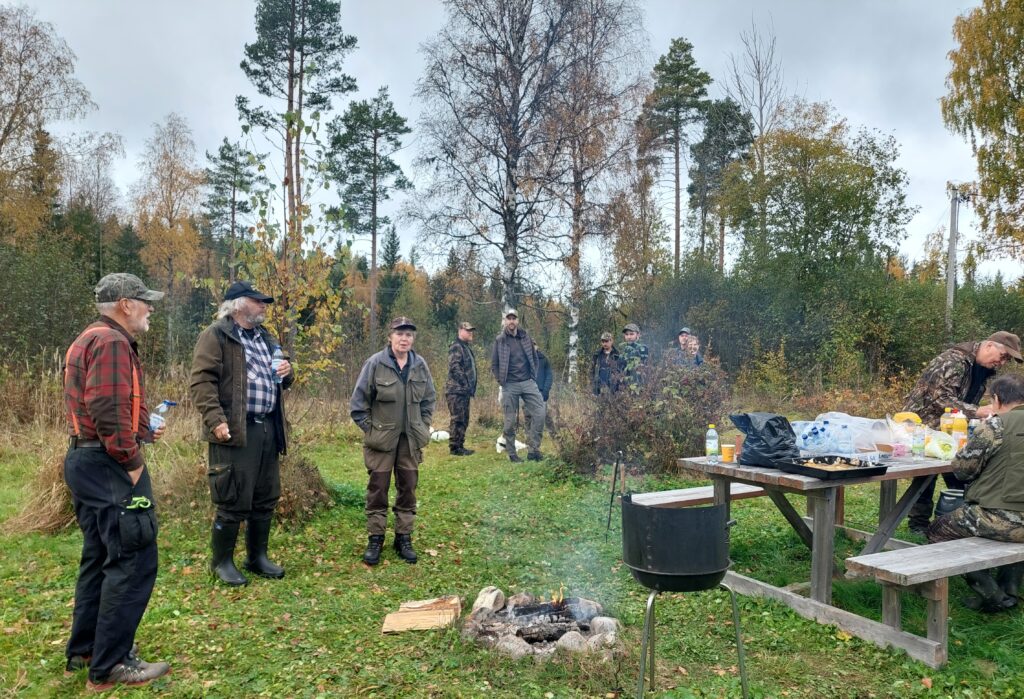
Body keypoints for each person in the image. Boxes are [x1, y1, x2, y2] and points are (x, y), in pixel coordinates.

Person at [62, 273, 171, 690]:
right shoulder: (112, 342)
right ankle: (110, 664)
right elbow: (106, 406)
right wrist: (131, 459)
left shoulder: (88, 338)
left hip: (84, 460)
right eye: (145, 302)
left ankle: (87, 647)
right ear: (125, 304)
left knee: (100, 556)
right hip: (109, 465)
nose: (150, 309)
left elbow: (105, 406)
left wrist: (141, 428)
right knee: (132, 558)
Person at [190, 280, 294, 586]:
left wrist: (289, 372)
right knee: (232, 495)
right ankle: (221, 562)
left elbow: (279, 379)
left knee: (265, 495)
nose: (264, 305)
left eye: (264, 301)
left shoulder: (266, 337)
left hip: (268, 427)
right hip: (233, 429)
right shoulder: (216, 335)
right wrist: (215, 420)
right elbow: (201, 382)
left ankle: (256, 557)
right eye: (257, 300)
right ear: (237, 304)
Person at [903, 331, 1023, 534]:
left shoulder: (983, 370)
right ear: (989, 346)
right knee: (924, 478)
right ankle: (919, 524)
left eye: (1007, 360)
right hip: (923, 425)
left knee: (960, 474)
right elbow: (937, 397)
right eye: (1003, 356)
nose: (1002, 363)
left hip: (952, 429)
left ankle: (958, 521)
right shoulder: (953, 361)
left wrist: (979, 419)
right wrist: (976, 411)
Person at [927, 374, 1024, 612]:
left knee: (938, 530)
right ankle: (1010, 587)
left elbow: (961, 470)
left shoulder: (996, 425)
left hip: (1002, 518)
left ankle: (993, 595)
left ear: (997, 399)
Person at [350, 317, 436, 566]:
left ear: (413, 339)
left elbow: (429, 399)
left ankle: (403, 537)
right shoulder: (375, 363)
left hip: (409, 441)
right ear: (390, 336)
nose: (404, 338)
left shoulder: (420, 365)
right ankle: (375, 538)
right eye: (399, 333)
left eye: (409, 334)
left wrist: (423, 425)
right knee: (378, 488)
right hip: (381, 441)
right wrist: (371, 430)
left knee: (408, 488)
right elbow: (358, 405)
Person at [491, 308, 546, 462]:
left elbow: (534, 358)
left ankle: (533, 449)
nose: (511, 321)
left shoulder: (526, 337)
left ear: (517, 320)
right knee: (510, 421)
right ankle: (512, 454)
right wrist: (501, 381)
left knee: (540, 412)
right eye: (508, 318)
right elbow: (494, 364)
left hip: (528, 382)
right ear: (505, 321)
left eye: (514, 318)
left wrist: (533, 377)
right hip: (510, 384)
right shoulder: (500, 340)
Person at [444, 321, 477, 456]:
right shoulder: (457, 346)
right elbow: (455, 367)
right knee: (458, 418)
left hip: (463, 391)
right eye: (467, 330)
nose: (470, 333)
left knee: (464, 418)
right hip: (456, 390)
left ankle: (460, 445)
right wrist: (466, 384)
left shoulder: (465, 347)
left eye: (471, 331)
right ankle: (455, 448)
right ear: (460, 331)